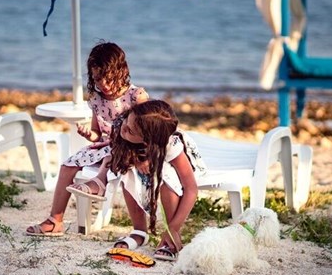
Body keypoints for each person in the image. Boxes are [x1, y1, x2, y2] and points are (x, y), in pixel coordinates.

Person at [26, 41, 148, 236]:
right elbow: (96, 134)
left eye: (108, 78)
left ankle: (98, 184)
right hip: (106, 145)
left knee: (114, 153)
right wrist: (88, 134)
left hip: (131, 147)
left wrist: (144, 156)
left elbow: (148, 129)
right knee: (68, 165)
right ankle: (55, 220)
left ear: (122, 72)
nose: (103, 84)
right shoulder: (96, 99)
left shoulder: (136, 96)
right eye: (97, 78)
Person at [108, 100, 206, 262]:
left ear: (147, 141)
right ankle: (139, 231)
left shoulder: (171, 146)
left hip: (178, 166)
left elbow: (191, 189)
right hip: (148, 157)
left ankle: (170, 234)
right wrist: (137, 160)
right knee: (128, 170)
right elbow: (118, 151)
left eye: (131, 130)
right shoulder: (125, 125)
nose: (124, 127)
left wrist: (173, 228)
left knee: (167, 177)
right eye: (127, 120)